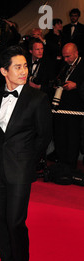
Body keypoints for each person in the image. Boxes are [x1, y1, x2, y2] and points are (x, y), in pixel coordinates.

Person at [0, 45, 52, 261]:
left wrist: (27, 161)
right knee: (0, 219)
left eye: (25, 66)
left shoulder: (38, 98)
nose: (24, 71)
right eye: (18, 67)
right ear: (4, 71)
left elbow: (44, 137)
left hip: (21, 169)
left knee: (15, 220)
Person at [53, 43, 84, 172]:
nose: (65, 59)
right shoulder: (65, 66)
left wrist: (76, 86)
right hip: (63, 107)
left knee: (72, 138)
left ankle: (70, 165)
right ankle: (62, 162)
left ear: (76, 53)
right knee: (61, 135)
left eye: (68, 56)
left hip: (77, 109)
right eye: (64, 57)